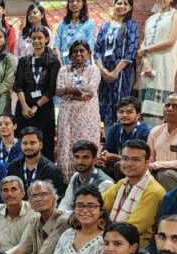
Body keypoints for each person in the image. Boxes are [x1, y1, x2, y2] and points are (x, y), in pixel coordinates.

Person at [135, 0, 177, 126]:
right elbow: (144, 42)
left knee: (158, 104)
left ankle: (156, 134)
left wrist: (146, 51)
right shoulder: (150, 19)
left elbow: (170, 42)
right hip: (148, 62)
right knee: (143, 103)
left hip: (164, 59)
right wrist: (145, 63)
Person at [102, 140, 166, 248]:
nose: (128, 164)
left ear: (147, 163)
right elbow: (99, 205)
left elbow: (133, 228)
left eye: (135, 160)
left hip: (136, 246)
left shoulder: (153, 191)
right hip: (114, 238)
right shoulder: (123, 183)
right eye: (125, 158)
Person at [56, 39, 102, 178]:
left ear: (89, 54)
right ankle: (67, 179)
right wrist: (80, 94)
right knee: (66, 145)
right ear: (70, 55)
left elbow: (90, 89)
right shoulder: (64, 69)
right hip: (67, 116)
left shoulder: (94, 70)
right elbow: (59, 90)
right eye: (75, 51)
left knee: (87, 143)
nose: (78, 54)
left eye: (82, 51)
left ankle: (89, 177)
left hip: (87, 117)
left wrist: (69, 90)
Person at [14, 25, 60, 160]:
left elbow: (52, 89)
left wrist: (36, 106)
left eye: (40, 38)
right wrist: (24, 106)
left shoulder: (53, 61)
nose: (36, 41)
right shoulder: (23, 60)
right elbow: (18, 86)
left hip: (43, 108)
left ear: (46, 39)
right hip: (24, 108)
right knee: (23, 142)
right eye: (33, 38)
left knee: (44, 144)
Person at [94, 0, 139, 128]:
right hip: (104, 73)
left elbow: (131, 51)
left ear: (130, 7)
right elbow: (97, 49)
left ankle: (121, 142)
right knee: (105, 106)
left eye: (126, 4)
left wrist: (115, 72)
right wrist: (102, 70)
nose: (122, 6)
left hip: (122, 74)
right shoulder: (105, 26)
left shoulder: (132, 25)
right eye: (119, 3)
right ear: (114, 4)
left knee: (120, 105)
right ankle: (108, 142)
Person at [7, 127, 67, 200]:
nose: (28, 147)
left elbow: (55, 200)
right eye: (25, 143)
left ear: (40, 145)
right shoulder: (13, 166)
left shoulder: (52, 171)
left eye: (32, 143)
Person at [98, 97, 151, 179]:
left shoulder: (145, 131)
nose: (124, 115)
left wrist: (113, 157)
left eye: (129, 112)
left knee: (119, 165)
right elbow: (106, 150)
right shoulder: (115, 128)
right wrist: (102, 157)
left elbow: (136, 159)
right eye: (121, 112)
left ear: (138, 115)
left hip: (136, 167)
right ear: (117, 114)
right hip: (116, 165)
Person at [60, 140, 115, 211]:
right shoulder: (76, 176)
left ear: (95, 160)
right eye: (77, 157)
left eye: (85, 157)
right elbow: (65, 204)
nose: (80, 161)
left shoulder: (106, 183)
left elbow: (92, 212)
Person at [54, 0, 97, 65]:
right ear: (68, 3)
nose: (74, 3)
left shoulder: (89, 24)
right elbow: (57, 45)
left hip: (82, 65)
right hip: (64, 64)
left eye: (78, 1)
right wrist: (60, 63)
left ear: (83, 3)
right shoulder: (62, 24)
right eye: (72, 1)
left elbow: (90, 46)